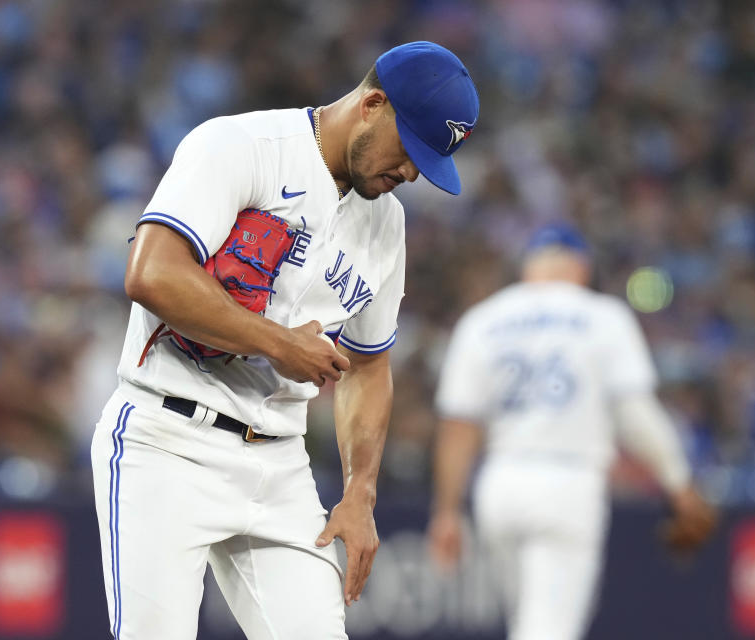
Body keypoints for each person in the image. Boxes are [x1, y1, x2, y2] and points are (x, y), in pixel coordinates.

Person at [90, 41, 479, 640]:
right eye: (412, 150)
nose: (410, 173)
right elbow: (152, 273)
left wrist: (360, 493)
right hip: (166, 440)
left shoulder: (386, 223)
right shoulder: (242, 147)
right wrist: (276, 342)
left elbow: (370, 368)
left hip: (278, 462)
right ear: (373, 104)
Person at [427, 223, 716, 640]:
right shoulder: (604, 317)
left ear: (529, 269)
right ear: (581, 269)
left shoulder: (483, 321)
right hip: (569, 482)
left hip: (501, 485)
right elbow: (634, 415)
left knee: (530, 622)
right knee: (548, 630)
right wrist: (679, 481)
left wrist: (446, 512)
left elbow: (458, 427)